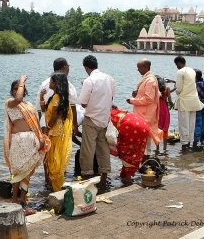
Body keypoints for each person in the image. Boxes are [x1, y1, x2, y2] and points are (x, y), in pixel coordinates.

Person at [3, 75, 50, 205]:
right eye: (15, 89)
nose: (18, 91)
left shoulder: (28, 105)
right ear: (12, 91)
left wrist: (40, 138)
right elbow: (18, 98)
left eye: (20, 88)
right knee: (18, 169)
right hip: (19, 140)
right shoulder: (10, 103)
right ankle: (14, 198)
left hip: (32, 140)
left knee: (28, 170)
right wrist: (22, 81)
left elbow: (36, 120)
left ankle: (23, 197)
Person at [79, 55, 116, 188]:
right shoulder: (110, 79)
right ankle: (104, 176)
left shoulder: (89, 81)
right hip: (104, 119)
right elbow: (111, 97)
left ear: (86, 68)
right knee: (103, 148)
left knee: (88, 149)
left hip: (92, 119)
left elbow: (83, 103)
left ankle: (87, 176)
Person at [40, 72, 73, 191]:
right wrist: (41, 98)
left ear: (56, 83)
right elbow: (45, 111)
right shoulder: (58, 97)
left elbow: (53, 117)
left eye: (51, 81)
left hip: (55, 134)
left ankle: (57, 189)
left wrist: (47, 129)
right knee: (53, 161)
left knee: (54, 162)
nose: (49, 83)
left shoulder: (57, 98)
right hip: (57, 133)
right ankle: (55, 187)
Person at [126, 58, 161, 159]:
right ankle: (144, 161)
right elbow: (152, 95)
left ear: (145, 67)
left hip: (146, 115)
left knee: (144, 140)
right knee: (144, 140)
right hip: (144, 113)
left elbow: (148, 99)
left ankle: (145, 161)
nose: (138, 70)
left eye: (139, 68)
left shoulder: (150, 80)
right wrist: (137, 94)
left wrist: (132, 100)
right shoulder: (147, 78)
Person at [110, 108, 150, 185]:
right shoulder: (123, 112)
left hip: (131, 128)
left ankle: (128, 178)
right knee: (136, 152)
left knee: (126, 151)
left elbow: (110, 134)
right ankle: (125, 174)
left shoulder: (110, 115)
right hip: (145, 127)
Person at [173, 56, 204, 150]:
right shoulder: (192, 71)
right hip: (194, 101)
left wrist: (175, 88)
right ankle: (189, 143)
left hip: (184, 101)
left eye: (176, 65)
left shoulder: (180, 71)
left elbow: (179, 90)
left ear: (179, 63)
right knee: (191, 124)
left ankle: (184, 146)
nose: (177, 67)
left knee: (183, 124)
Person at [193, 69, 204, 150]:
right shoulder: (202, 83)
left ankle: (195, 143)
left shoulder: (197, 84)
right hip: (203, 106)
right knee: (199, 124)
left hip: (197, 106)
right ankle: (197, 142)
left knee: (196, 124)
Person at [155, 75, 174, 152]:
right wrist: (173, 106)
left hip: (157, 109)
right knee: (165, 130)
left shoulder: (155, 89)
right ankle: (165, 148)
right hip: (165, 110)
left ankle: (157, 148)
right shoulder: (167, 89)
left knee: (157, 129)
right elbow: (170, 101)